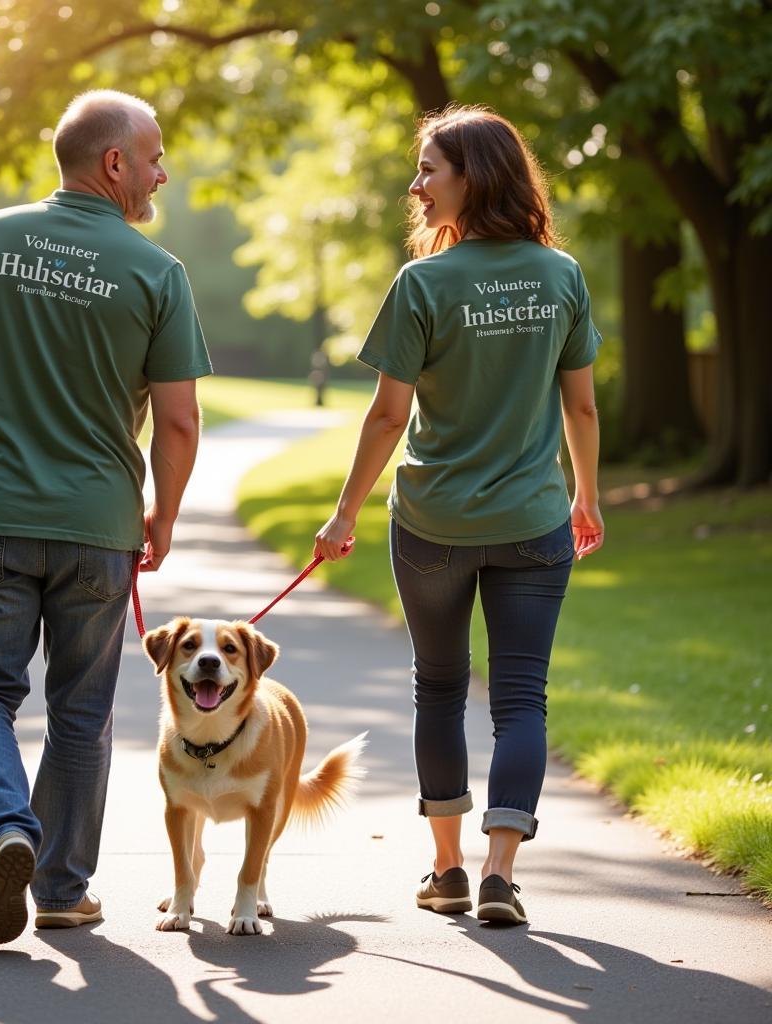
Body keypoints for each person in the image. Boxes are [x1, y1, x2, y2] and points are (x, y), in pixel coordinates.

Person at [0, 89, 211, 944]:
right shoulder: (158, 272)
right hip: (98, 528)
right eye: (153, 155)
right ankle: (64, 889)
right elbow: (181, 421)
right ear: (113, 163)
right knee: (83, 709)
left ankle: (6, 828)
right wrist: (164, 515)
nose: (161, 171)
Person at [314, 104, 604, 925]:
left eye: (429, 170)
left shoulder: (424, 284)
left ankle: (445, 871)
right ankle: (500, 874)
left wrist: (343, 516)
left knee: (438, 689)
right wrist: (586, 496)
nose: (416, 186)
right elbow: (580, 409)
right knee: (521, 698)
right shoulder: (562, 276)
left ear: (472, 176)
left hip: (434, 526)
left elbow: (385, 416)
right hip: (533, 522)